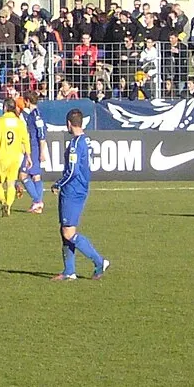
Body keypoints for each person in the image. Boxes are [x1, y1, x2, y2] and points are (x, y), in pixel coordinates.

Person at [53, 108, 110, 280]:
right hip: (77, 189)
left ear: (69, 123)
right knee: (65, 230)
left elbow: (73, 171)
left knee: (69, 232)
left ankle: (99, 261)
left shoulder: (76, 144)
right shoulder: (87, 141)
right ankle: (69, 271)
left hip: (73, 190)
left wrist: (58, 183)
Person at [0, 96, 29, 216]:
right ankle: (9, 206)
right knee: (11, 183)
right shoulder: (20, 122)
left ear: (5, 107)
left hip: (2, 156)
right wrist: (28, 156)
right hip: (15, 157)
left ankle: (3, 201)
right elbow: (25, 140)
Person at [20, 92, 48, 214]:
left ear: (27, 101)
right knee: (36, 176)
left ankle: (37, 201)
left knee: (23, 175)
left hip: (34, 148)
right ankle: (38, 205)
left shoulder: (36, 115)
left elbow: (41, 133)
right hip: (33, 147)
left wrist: (42, 151)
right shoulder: (32, 114)